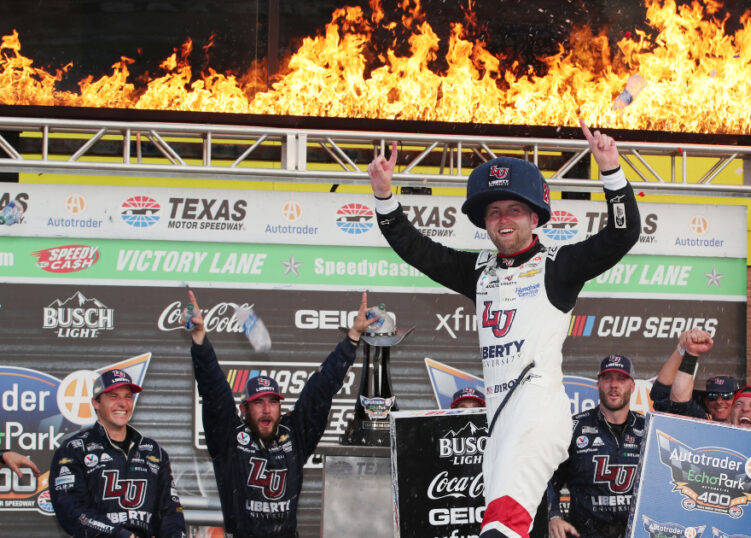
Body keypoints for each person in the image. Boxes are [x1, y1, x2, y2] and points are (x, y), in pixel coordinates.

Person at [369, 119, 640, 538]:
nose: (503, 219)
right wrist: (385, 196)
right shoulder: (478, 271)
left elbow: (623, 233)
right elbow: (417, 250)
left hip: (538, 411)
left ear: (535, 216)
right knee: (509, 529)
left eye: (514, 209)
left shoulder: (559, 265)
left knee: (500, 527)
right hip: (498, 419)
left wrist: (610, 170)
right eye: (494, 212)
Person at [185, 290, 372, 538]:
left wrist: (353, 338)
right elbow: (213, 390)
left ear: (280, 407)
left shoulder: (294, 435)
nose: (266, 409)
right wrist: (200, 340)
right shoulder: (228, 440)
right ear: (244, 409)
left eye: (273, 402)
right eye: (258, 402)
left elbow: (321, 388)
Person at [49, 369, 186, 538]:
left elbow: (170, 511)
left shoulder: (153, 451)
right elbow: (72, 511)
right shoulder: (74, 449)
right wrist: (120, 534)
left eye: (128, 397)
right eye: (114, 396)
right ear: (96, 403)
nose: (122, 403)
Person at [546, 354, 644, 538]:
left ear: (632, 386)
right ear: (598, 384)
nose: (614, 385)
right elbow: (547, 477)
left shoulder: (646, 428)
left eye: (621, 379)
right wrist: (554, 516)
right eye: (607, 378)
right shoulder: (573, 427)